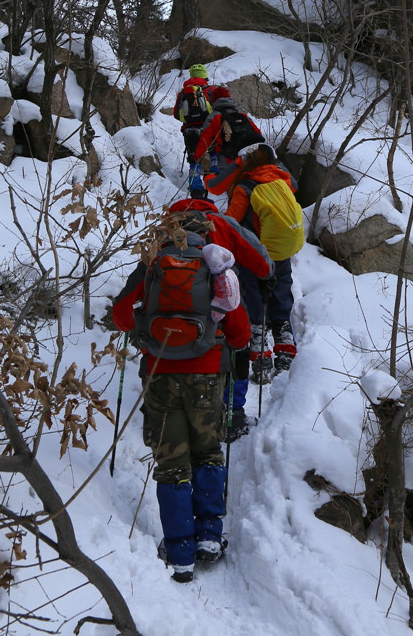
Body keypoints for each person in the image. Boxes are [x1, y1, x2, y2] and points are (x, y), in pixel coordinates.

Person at [111, 198, 273, 582]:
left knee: (171, 461)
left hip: (161, 374)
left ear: (170, 226)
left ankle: (181, 553)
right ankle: (210, 539)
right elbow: (240, 333)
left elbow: (120, 315)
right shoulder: (216, 264)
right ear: (204, 228)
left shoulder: (151, 263)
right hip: (206, 374)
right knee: (208, 452)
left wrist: (143, 328)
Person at [205, 143, 302, 383]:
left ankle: (259, 341)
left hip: (258, 251)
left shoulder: (245, 187)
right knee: (281, 286)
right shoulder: (284, 179)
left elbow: (231, 222)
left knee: (253, 292)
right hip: (283, 247)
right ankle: (284, 338)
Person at [172, 66, 224, 195]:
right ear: (204, 76)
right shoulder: (211, 90)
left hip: (190, 131)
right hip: (209, 128)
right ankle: (214, 183)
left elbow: (176, 115)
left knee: (194, 160)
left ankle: (195, 189)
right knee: (213, 154)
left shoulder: (183, 93)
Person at [194, 94, 263, 173]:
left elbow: (205, 139)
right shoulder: (243, 115)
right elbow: (258, 133)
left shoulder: (214, 117)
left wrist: (198, 156)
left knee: (226, 178)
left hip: (225, 156)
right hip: (246, 154)